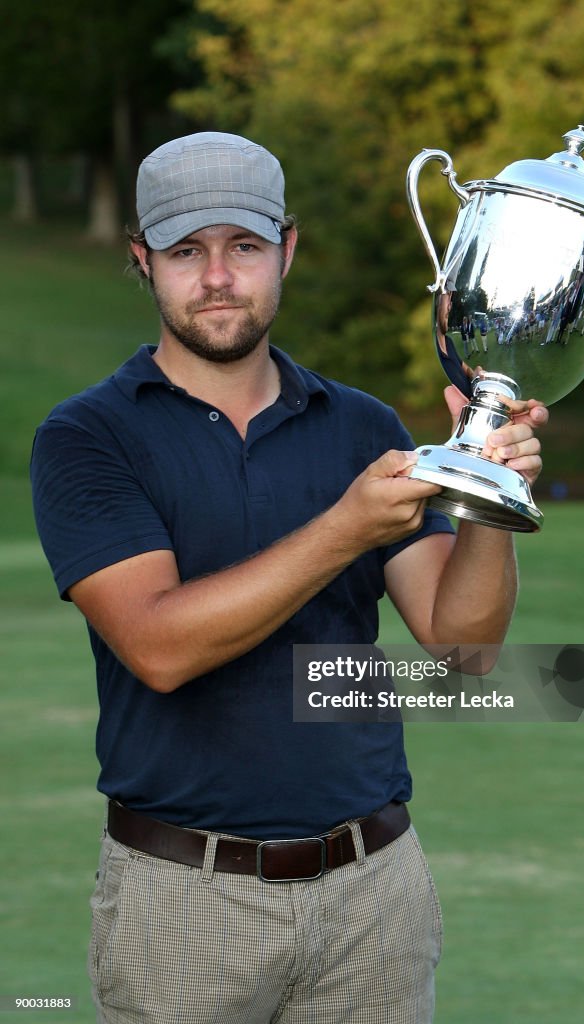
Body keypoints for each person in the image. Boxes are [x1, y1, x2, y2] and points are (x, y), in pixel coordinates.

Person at [30, 132, 547, 1024]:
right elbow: (157, 647)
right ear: (142, 261)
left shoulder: (359, 424)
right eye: (187, 251)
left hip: (374, 894)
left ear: (287, 249)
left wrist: (489, 493)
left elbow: (464, 647)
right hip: (183, 901)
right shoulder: (87, 438)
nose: (218, 276)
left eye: (244, 247)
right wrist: (343, 529)